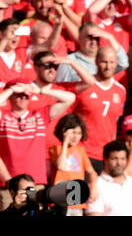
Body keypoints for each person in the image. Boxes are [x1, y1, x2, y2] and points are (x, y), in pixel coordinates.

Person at [0, 79, 76, 211]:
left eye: (26, 95)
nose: (23, 97)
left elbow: (70, 98)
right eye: (18, 94)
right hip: (9, 184)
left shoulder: (40, 115)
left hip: (35, 183)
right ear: (11, 96)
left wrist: (40, 90)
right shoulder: (3, 116)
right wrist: (11, 90)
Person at [71, 46, 127, 174]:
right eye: (104, 62)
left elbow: (114, 122)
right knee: (79, 192)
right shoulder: (84, 86)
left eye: (112, 62)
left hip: (106, 156)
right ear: (96, 62)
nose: (108, 66)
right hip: (81, 152)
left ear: (116, 63)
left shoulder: (120, 91)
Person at [49, 114, 99, 216]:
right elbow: (60, 165)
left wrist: (93, 187)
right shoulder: (55, 149)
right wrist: (65, 142)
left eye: (79, 133)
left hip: (76, 202)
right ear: (64, 131)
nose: (76, 137)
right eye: (73, 132)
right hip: (60, 200)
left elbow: (92, 173)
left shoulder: (81, 151)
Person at [85, 140, 132, 216]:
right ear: (105, 160)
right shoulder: (96, 185)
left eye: (122, 159)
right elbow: (94, 214)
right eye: (114, 159)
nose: (119, 163)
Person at [55, 22, 129, 83]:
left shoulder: (104, 61)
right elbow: (61, 87)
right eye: (90, 37)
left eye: (96, 38)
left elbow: (123, 63)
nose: (93, 41)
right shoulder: (69, 62)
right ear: (80, 38)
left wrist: (110, 37)